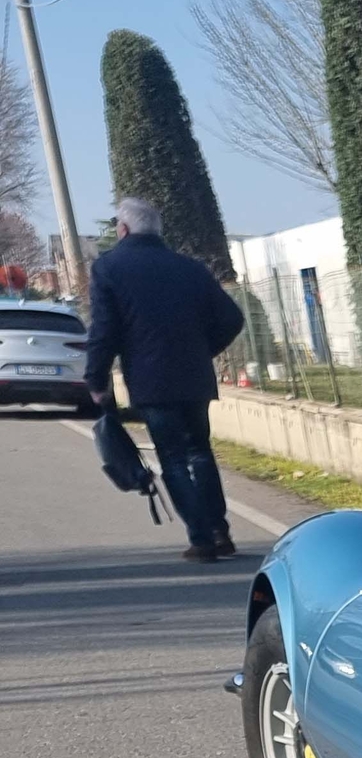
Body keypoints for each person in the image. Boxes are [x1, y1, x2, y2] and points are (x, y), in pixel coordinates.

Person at [83, 197, 246, 562]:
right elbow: (232, 319)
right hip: (194, 377)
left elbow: (104, 330)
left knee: (172, 457)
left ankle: (201, 538)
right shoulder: (190, 268)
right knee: (200, 452)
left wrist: (96, 379)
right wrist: (203, 350)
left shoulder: (110, 267)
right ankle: (220, 531)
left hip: (151, 379)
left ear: (122, 230)